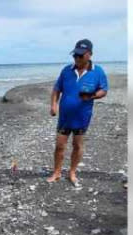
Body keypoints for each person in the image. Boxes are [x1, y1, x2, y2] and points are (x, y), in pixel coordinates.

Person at [47, 39, 109, 184]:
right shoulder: (66, 70)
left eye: (80, 55)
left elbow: (104, 90)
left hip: (82, 116)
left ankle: (72, 172)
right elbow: (56, 89)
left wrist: (92, 96)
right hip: (65, 116)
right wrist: (53, 105)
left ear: (90, 54)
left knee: (77, 145)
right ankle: (56, 172)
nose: (77, 58)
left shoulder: (98, 71)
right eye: (75, 55)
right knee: (59, 145)